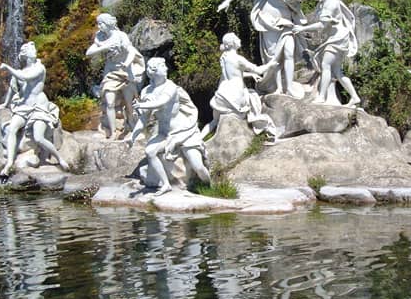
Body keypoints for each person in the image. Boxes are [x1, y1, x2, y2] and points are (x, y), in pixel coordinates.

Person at [217, 0, 311, 97]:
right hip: (268, 22)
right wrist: (227, 0)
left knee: (288, 52)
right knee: (274, 57)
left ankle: (289, 86)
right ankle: (278, 88)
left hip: (286, 21)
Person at [127, 58, 211, 196]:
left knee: (198, 166)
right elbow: (143, 119)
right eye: (162, 66)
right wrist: (133, 136)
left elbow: (162, 102)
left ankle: (209, 187)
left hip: (184, 131)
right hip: (164, 133)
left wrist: (142, 105)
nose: (166, 69)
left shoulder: (170, 86)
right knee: (150, 151)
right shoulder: (146, 91)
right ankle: (165, 184)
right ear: (153, 72)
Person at [0, 42, 69, 176]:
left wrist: (7, 67)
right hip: (23, 107)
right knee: (12, 129)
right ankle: (9, 163)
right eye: (32, 49)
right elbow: (12, 90)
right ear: (25, 55)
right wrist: (6, 104)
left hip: (38, 107)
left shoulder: (39, 68)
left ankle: (59, 158)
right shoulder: (19, 73)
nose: (35, 51)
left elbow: (26, 78)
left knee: (39, 137)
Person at [292, 0, 361, 107]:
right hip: (338, 37)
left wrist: (302, 29)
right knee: (337, 71)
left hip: (337, 38)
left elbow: (321, 25)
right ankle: (355, 97)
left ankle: (322, 97)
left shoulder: (329, 4)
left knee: (325, 65)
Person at [200, 33, 280, 139]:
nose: (239, 40)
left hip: (222, 95)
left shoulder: (224, 57)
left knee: (214, 121)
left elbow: (234, 74)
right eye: (237, 38)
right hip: (235, 97)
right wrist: (271, 64)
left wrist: (251, 75)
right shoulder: (238, 59)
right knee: (253, 96)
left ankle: (199, 139)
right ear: (233, 43)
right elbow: (259, 70)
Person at [86, 13, 145, 139]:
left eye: (101, 23)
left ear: (108, 24)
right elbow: (89, 52)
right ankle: (113, 132)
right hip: (110, 72)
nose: (99, 26)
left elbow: (131, 52)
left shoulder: (120, 36)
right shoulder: (100, 37)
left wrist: (127, 63)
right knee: (109, 102)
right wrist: (105, 47)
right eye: (98, 23)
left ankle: (130, 127)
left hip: (125, 71)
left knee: (129, 103)